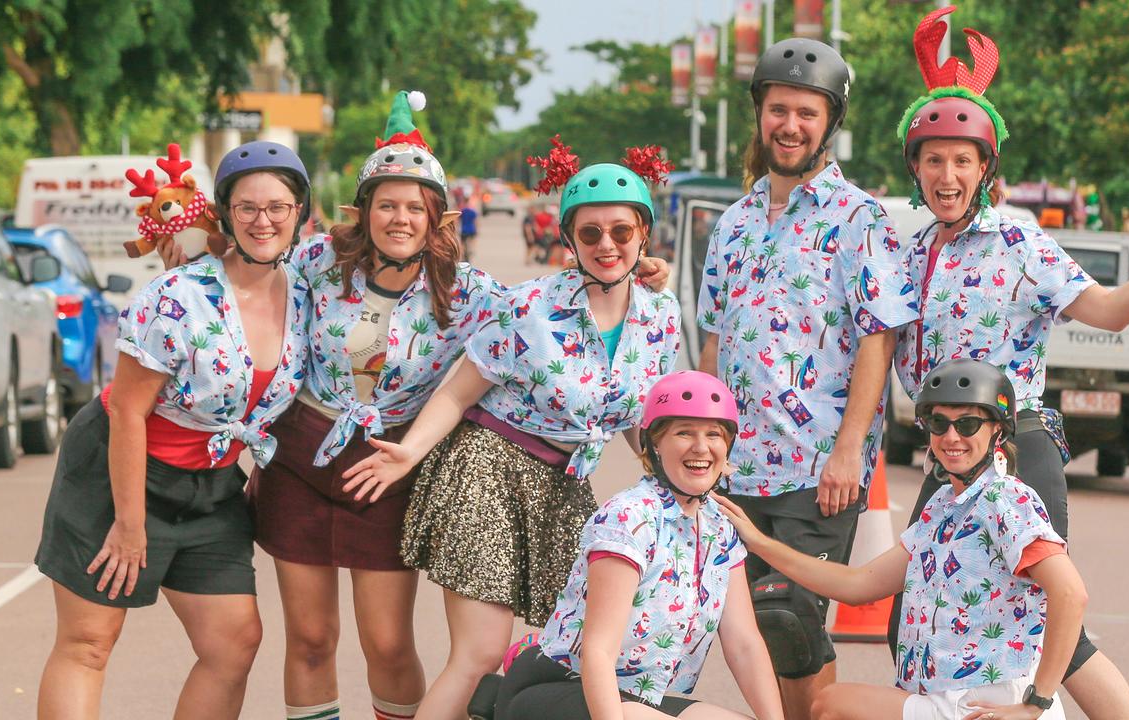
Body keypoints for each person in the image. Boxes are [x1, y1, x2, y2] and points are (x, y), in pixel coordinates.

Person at [889, 7, 1129, 719]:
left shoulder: (1018, 241)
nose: (947, 173)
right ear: (914, 167)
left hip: (1017, 446)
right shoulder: (908, 252)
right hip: (949, 451)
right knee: (920, 620)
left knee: (1042, 619)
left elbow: (1106, 310)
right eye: (933, 158)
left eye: (963, 159)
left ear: (987, 168)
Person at [342, 137, 682, 720]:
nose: (606, 245)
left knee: (573, 651)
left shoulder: (661, 316)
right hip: (489, 470)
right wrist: (408, 452)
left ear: (643, 235)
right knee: (479, 653)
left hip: (565, 487)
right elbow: (457, 392)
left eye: (621, 232)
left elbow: (639, 415)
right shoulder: (530, 309)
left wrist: (673, 481)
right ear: (569, 238)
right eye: (591, 233)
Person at [34, 140, 310, 719]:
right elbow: (128, 412)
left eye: (278, 207)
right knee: (89, 643)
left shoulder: (308, 297)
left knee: (233, 643)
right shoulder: (177, 295)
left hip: (210, 488)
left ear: (299, 213)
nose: (264, 220)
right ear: (225, 215)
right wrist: (130, 526)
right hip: (120, 475)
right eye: (247, 207)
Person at [696, 37, 917, 720]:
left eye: (806, 114)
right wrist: (701, 437)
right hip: (737, 461)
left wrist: (851, 447)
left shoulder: (860, 219)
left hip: (816, 462)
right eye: (778, 109)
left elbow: (878, 337)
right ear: (759, 114)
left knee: (788, 618)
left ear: (830, 123)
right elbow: (715, 338)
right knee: (752, 624)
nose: (790, 125)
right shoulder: (731, 223)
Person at [245, 91, 482, 720]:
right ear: (364, 211)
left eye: (414, 207)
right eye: (386, 205)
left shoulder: (467, 293)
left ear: (436, 218)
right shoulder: (319, 261)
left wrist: (633, 275)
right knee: (312, 639)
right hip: (300, 458)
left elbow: (547, 321)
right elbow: (248, 268)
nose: (399, 218)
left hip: (389, 467)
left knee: (387, 641)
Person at [718, 360, 1087, 720]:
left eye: (968, 424)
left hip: (982, 702)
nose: (951, 437)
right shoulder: (943, 505)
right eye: (939, 423)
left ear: (998, 432)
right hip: (946, 699)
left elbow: (1070, 593)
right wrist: (759, 541)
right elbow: (859, 584)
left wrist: (1035, 703)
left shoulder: (1005, 499)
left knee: (831, 706)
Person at [490, 371, 783, 719]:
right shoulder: (630, 517)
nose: (701, 447)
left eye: (714, 435)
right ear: (654, 443)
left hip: (639, 698)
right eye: (684, 432)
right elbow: (598, 651)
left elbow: (745, 645)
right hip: (564, 685)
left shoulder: (720, 527)